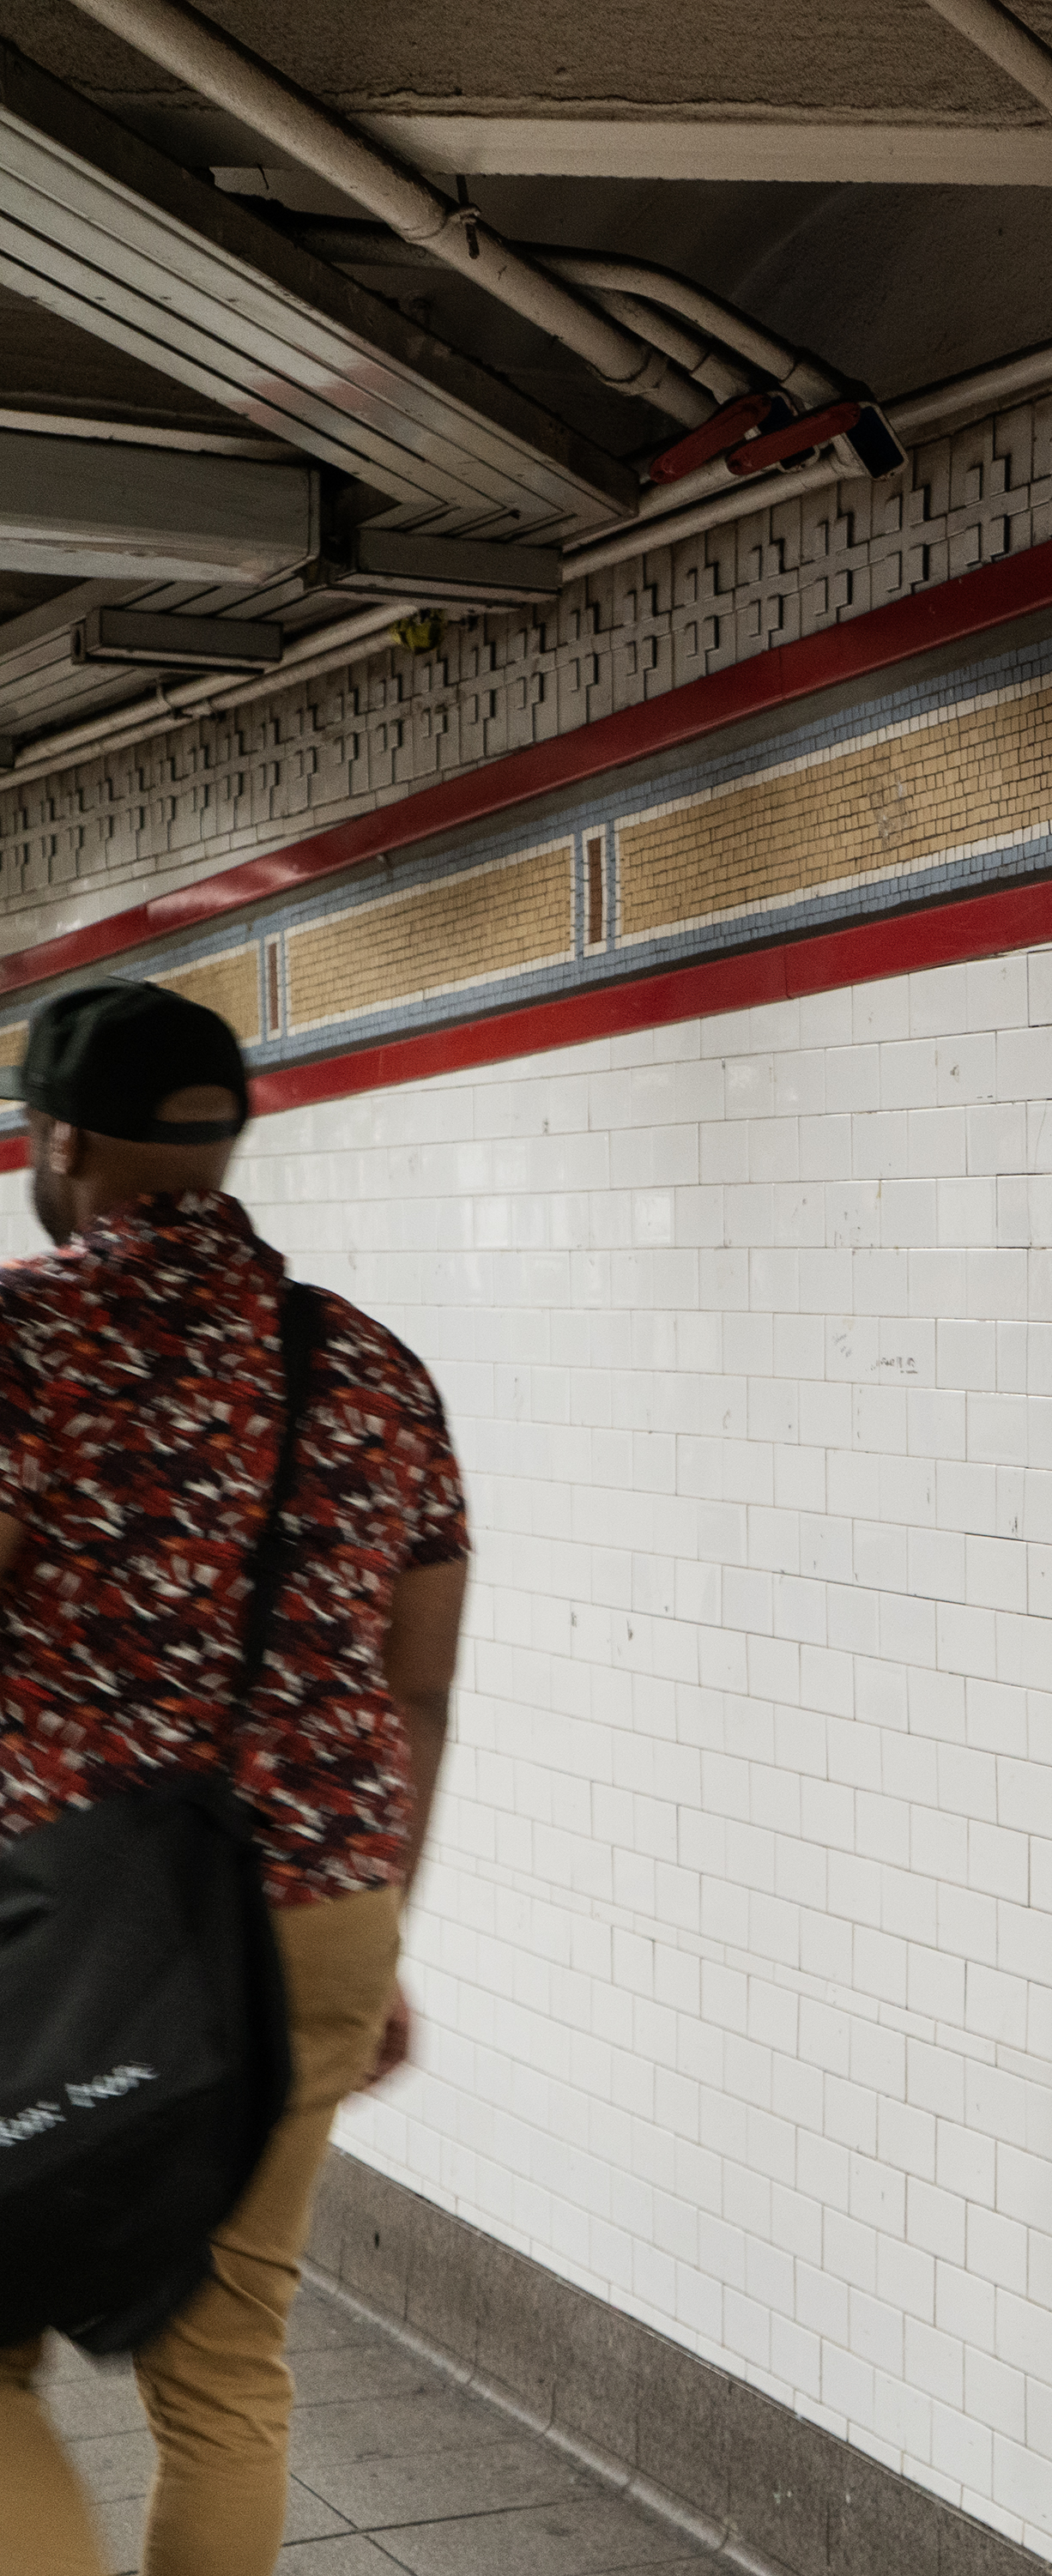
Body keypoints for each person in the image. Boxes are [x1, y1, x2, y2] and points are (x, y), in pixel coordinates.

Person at [0, 983, 469, 2576]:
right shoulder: (373, 1369)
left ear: (60, 1142)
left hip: (50, 1919)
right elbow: (418, 1686)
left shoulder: (23, 1345)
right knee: (224, 2364)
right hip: (318, 1911)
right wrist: (375, 1927)